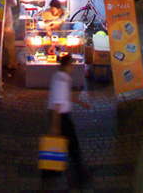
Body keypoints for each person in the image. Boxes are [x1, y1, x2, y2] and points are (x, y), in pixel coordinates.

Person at [48, 55, 90, 187]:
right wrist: (56, 126)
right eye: (71, 64)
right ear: (65, 66)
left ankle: (50, 170)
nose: (72, 67)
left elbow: (67, 96)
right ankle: (79, 173)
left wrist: (82, 103)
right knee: (73, 145)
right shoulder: (61, 80)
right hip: (61, 117)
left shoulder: (60, 77)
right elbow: (57, 104)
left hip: (61, 116)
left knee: (64, 144)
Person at [2, 0, 18, 72]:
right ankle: (11, 63)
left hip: (3, 24)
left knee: (7, 46)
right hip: (7, 24)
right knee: (8, 46)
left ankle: (11, 63)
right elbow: (15, 4)